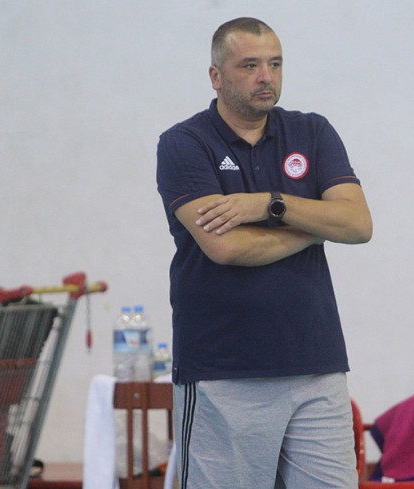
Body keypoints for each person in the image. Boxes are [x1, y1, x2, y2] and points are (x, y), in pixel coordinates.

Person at [156, 17, 372, 489]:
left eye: (275, 64)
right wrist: (315, 228)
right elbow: (226, 246)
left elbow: (357, 224)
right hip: (224, 371)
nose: (265, 77)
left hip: (316, 366)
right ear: (216, 76)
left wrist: (270, 204)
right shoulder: (185, 144)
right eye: (250, 65)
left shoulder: (312, 132)